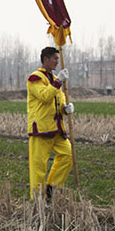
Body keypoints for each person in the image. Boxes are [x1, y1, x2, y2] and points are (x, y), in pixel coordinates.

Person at [27, 46, 74, 199]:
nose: (57, 62)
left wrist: (65, 108)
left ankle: (51, 188)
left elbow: (57, 100)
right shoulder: (35, 78)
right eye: (55, 59)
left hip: (57, 128)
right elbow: (45, 96)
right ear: (46, 59)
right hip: (41, 129)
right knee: (39, 166)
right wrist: (59, 81)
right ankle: (37, 199)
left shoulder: (55, 80)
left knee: (68, 155)